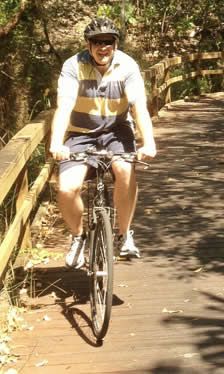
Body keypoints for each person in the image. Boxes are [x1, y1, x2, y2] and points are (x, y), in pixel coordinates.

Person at [49, 17, 156, 268]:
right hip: (79, 132)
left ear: (115, 44)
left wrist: (148, 142)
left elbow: (139, 107)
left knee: (124, 170)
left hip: (116, 130)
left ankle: (125, 234)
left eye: (108, 42)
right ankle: (78, 238)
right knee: (66, 189)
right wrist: (56, 143)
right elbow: (64, 106)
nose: (103, 47)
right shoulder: (73, 66)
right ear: (88, 45)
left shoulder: (127, 66)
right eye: (97, 42)